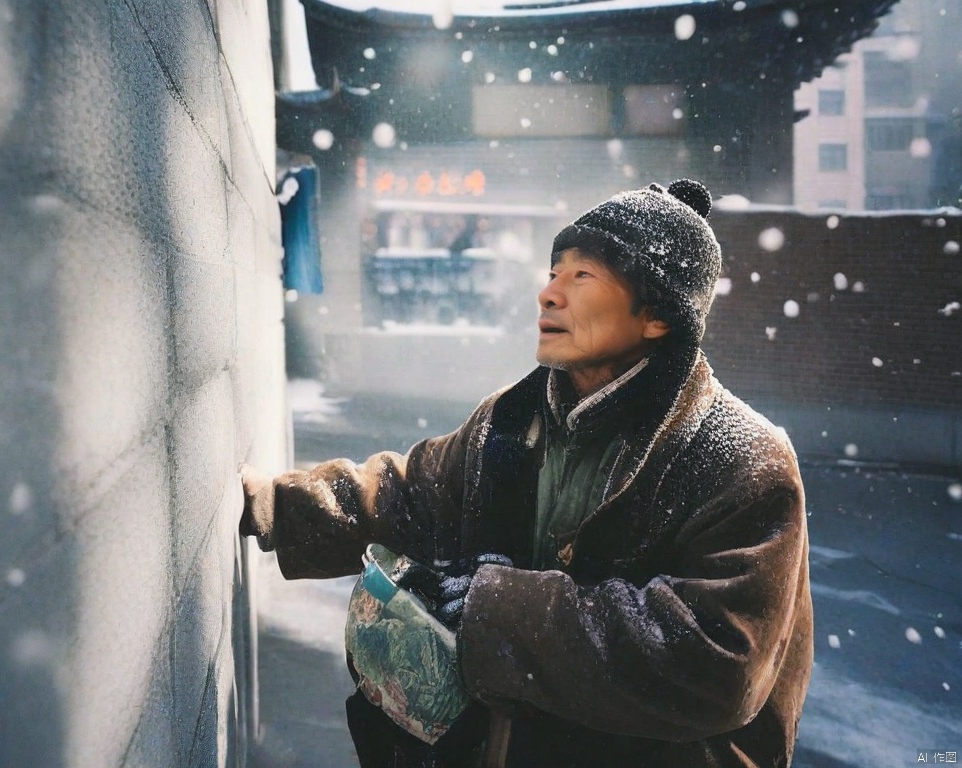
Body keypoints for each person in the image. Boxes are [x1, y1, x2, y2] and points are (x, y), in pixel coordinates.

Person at [240, 179, 813, 768]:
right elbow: (411, 495)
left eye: (582, 277)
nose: (548, 295)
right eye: (553, 271)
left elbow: (715, 660)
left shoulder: (739, 458)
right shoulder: (511, 421)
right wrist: (280, 507)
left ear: (659, 316)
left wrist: (493, 609)